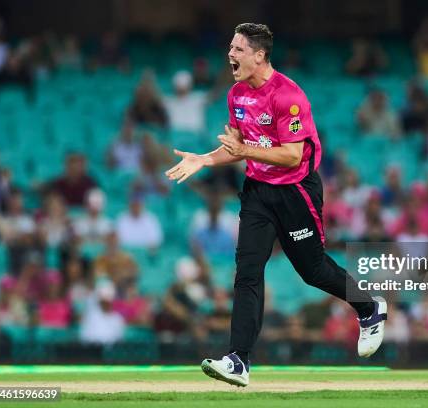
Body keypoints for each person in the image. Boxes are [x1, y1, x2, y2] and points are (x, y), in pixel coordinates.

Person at [165, 23, 385, 387]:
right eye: (230, 47)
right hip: (258, 191)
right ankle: (238, 360)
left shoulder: (289, 95)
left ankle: (368, 307)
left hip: (296, 190)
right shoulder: (236, 94)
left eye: (238, 49)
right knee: (247, 271)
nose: (230, 55)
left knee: (311, 269)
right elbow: (237, 147)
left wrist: (245, 151)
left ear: (259, 55)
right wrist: (204, 159)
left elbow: (291, 155)